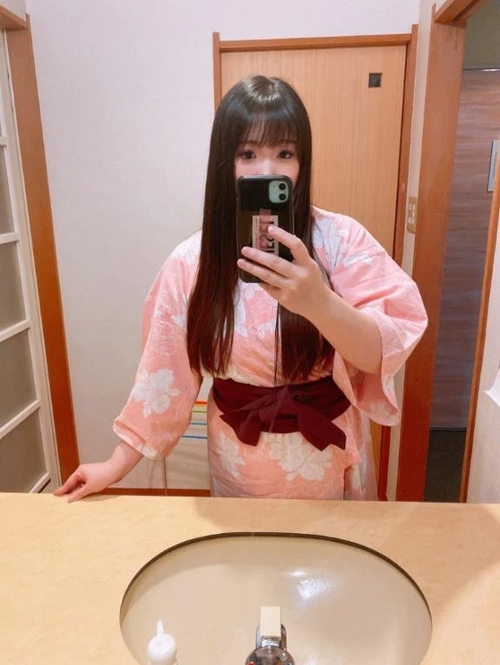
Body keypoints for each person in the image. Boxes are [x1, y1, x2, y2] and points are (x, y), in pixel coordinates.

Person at [55, 75, 427, 503]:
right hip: (240, 460)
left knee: (330, 545)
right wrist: (114, 466)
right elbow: (164, 373)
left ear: (302, 162)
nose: (266, 171)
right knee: (243, 545)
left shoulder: (342, 240)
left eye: (284, 153)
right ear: (224, 162)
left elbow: (381, 352)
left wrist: (320, 303)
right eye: (247, 154)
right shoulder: (192, 261)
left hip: (330, 455)